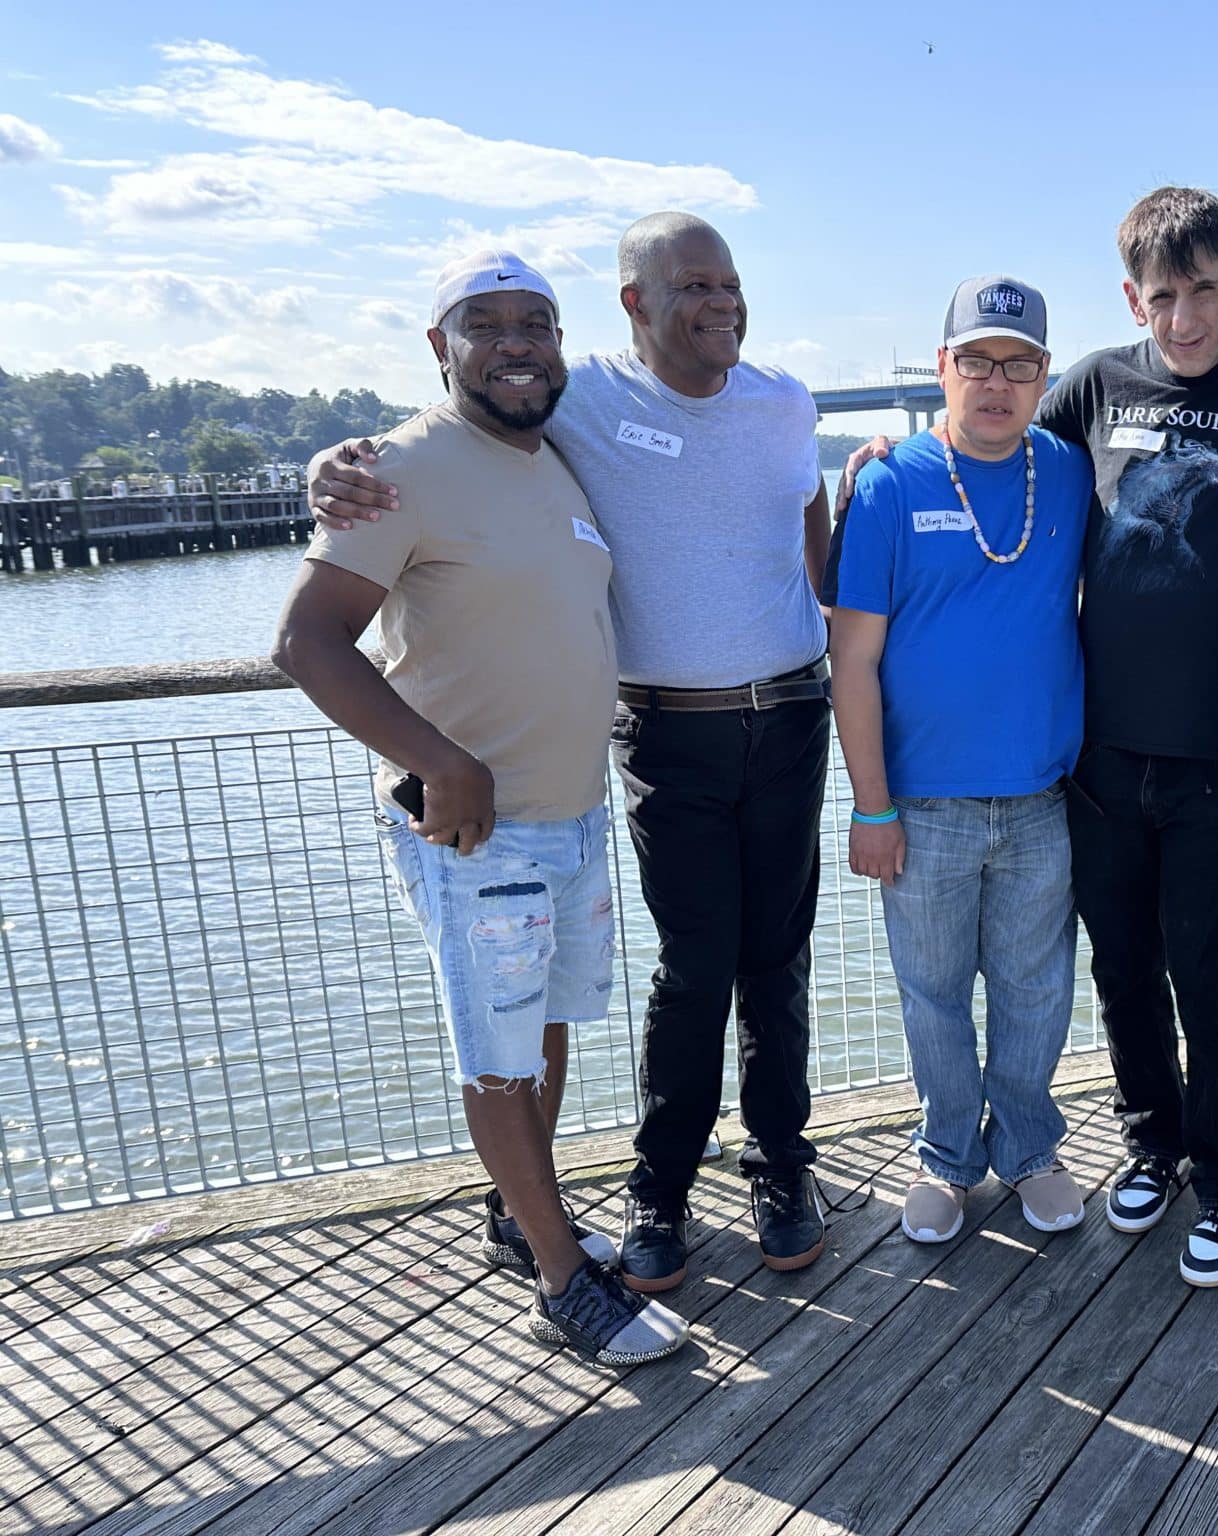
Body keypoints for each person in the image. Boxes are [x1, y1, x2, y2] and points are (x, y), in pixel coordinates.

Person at [303, 214, 835, 1288]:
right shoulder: (574, 395)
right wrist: (330, 466)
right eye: (692, 285)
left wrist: (843, 596)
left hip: (790, 713)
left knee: (776, 960)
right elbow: (460, 421)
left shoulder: (786, 400)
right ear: (634, 303)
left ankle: (782, 1165)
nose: (719, 302)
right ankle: (661, 1186)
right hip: (666, 730)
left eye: (729, 282)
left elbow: (811, 521)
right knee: (693, 967)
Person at [830, 189, 1218, 1287]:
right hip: (1098, 760)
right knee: (1121, 969)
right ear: (1132, 298)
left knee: (1212, 973)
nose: (1184, 317)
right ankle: (1154, 1144)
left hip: (1217, 750)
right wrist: (883, 451)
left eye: (1202, 290)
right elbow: (989, 446)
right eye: (1162, 296)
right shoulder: (1097, 387)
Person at [273, 251, 687, 1366]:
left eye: (536, 324)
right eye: (487, 324)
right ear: (440, 346)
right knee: (498, 1052)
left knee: (542, 1028)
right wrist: (438, 760)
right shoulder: (403, 468)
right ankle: (564, 1283)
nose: (517, 344)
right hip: (473, 829)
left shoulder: (555, 456)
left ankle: (520, 1216)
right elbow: (306, 641)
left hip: (572, 812)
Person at [830, 275, 1093, 1244]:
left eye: (1019, 366)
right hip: (922, 806)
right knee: (933, 997)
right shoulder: (887, 483)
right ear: (941, 367)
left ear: (1043, 378)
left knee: (1036, 992)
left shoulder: (1069, 471)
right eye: (976, 361)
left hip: (1041, 798)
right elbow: (851, 660)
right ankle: (945, 1155)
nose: (996, 383)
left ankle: (1028, 1150)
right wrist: (870, 806)